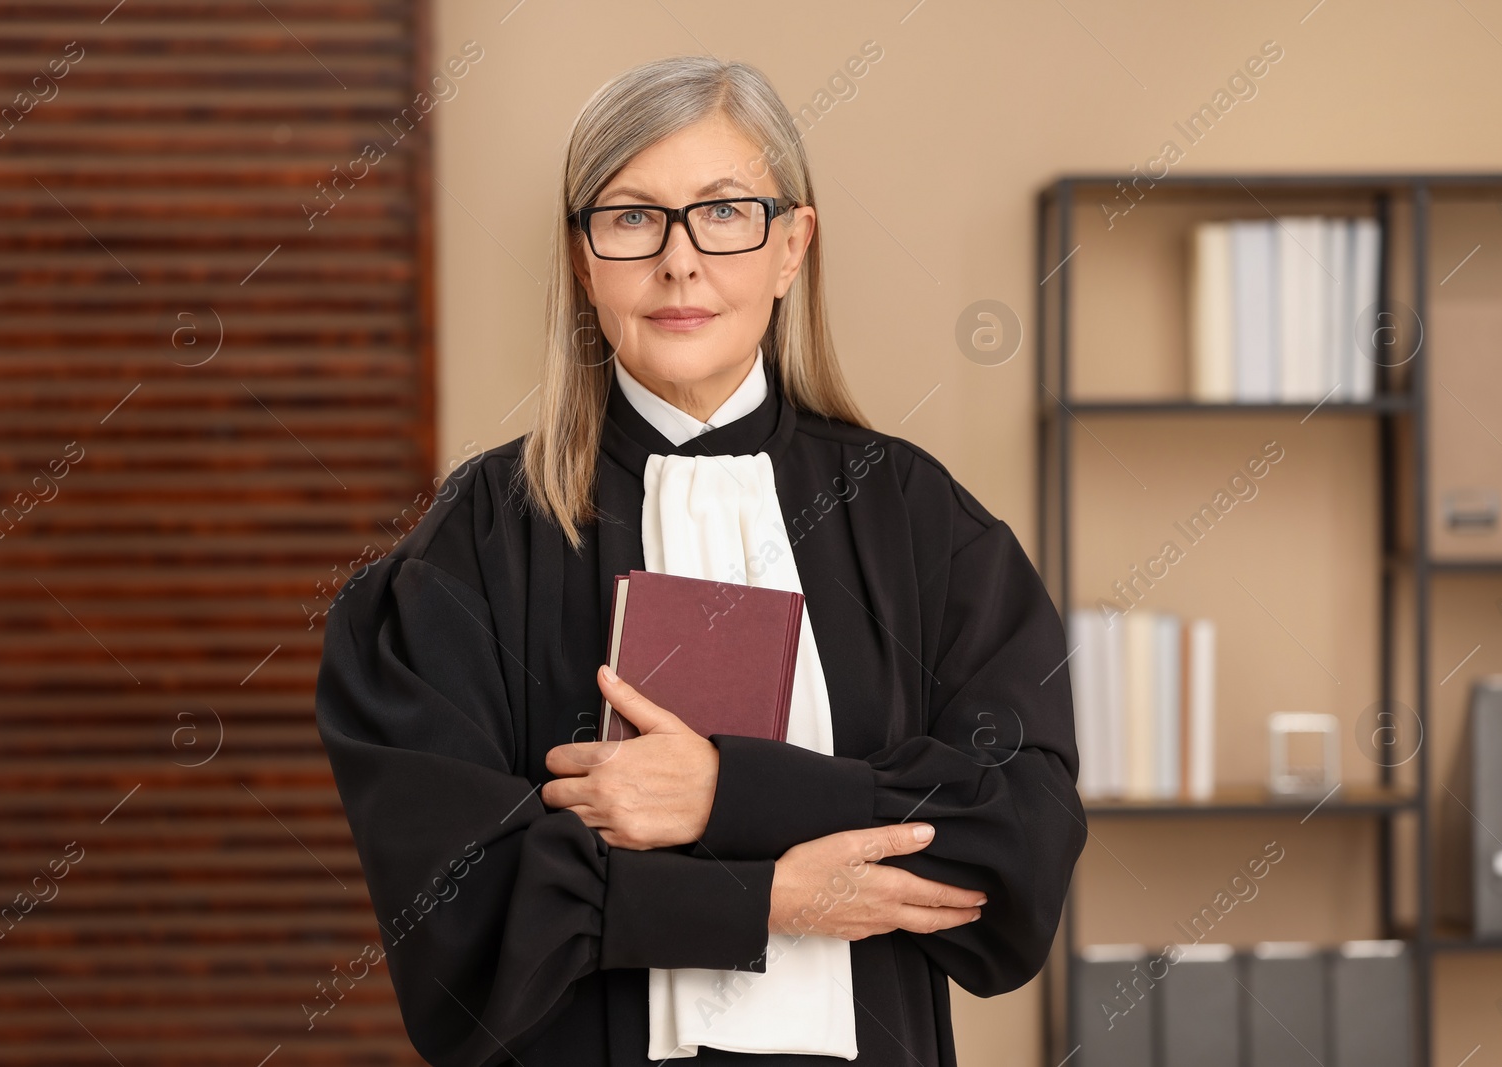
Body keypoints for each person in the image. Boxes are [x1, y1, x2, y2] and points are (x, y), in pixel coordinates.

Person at [314, 54, 1086, 1067]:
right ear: (582, 257)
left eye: (725, 212)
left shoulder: (918, 518)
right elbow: (453, 925)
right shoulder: (472, 545)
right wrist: (768, 898)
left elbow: (1018, 842)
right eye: (632, 217)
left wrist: (731, 791)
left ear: (791, 245)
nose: (680, 263)